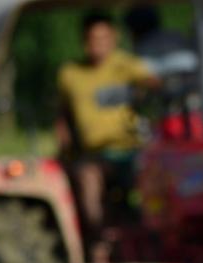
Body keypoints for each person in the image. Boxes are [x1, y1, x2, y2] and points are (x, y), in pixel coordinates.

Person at [56, 11, 159, 233]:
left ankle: (149, 232)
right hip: (94, 154)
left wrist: (143, 93)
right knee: (88, 178)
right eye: (92, 39)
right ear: (84, 40)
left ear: (114, 38)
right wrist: (64, 148)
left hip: (131, 149)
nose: (98, 45)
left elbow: (155, 86)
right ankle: (100, 238)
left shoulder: (126, 65)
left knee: (153, 177)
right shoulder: (71, 73)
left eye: (103, 39)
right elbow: (63, 114)